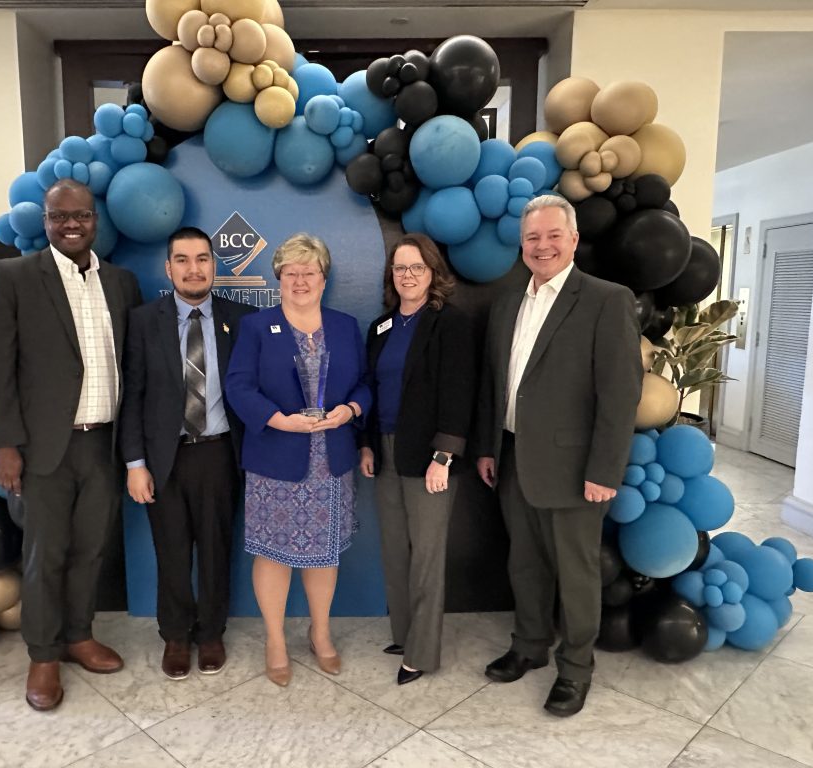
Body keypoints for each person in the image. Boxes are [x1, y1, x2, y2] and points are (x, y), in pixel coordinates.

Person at [0, 179, 142, 712]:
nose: (71, 225)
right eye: (58, 216)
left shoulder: (121, 282)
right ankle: (43, 656)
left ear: (95, 221)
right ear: (45, 221)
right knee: (45, 554)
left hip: (104, 444)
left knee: (91, 549)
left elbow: (130, 367)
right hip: (43, 447)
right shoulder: (14, 277)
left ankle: (77, 636)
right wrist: (5, 444)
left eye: (81, 216)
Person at [474, 195, 642, 717]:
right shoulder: (507, 303)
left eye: (552, 235)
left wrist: (603, 470)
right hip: (511, 457)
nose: (542, 245)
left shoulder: (605, 299)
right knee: (524, 563)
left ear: (571, 240)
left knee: (576, 572)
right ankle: (529, 646)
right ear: (521, 245)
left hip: (575, 468)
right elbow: (494, 386)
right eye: (532, 237)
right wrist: (487, 446)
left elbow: (620, 394)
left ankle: (576, 669)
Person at [225, 233, 371, 687]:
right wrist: (277, 420)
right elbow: (238, 387)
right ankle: (274, 639)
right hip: (275, 459)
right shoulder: (256, 326)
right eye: (291, 272)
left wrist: (350, 410)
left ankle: (320, 631)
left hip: (331, 461)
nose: (301, 279)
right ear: (279, 279)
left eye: (309, 271)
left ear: (324, 278)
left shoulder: (346, 326)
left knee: (323, 555)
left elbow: (365, 384)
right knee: (273, 556)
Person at [119, 226, 256, 680]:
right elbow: (132, 398)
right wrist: (135, 464)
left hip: (220, 454)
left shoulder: (243, 319)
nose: (193, 268)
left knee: (217, 550)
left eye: (202, 259)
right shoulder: (142, 321)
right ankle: (176, 635)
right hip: (165, 458)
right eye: (182, 259)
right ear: (168, 268)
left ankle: (211, 632)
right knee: (171, 551)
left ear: (214, 265)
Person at [358, 233, 475, 686]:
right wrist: (366, 443)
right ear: (391, 275)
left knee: (426, 555)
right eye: (400, 268)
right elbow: (371, 389)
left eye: (416, 268)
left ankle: (422, 653)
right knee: (394, 551)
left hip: (429, 456)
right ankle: (405, 633)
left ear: (432, 273)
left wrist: (444, 456)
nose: (407, 276)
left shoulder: (450, 323)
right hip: (385, 451)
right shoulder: (381, 327)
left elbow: (458, 392)